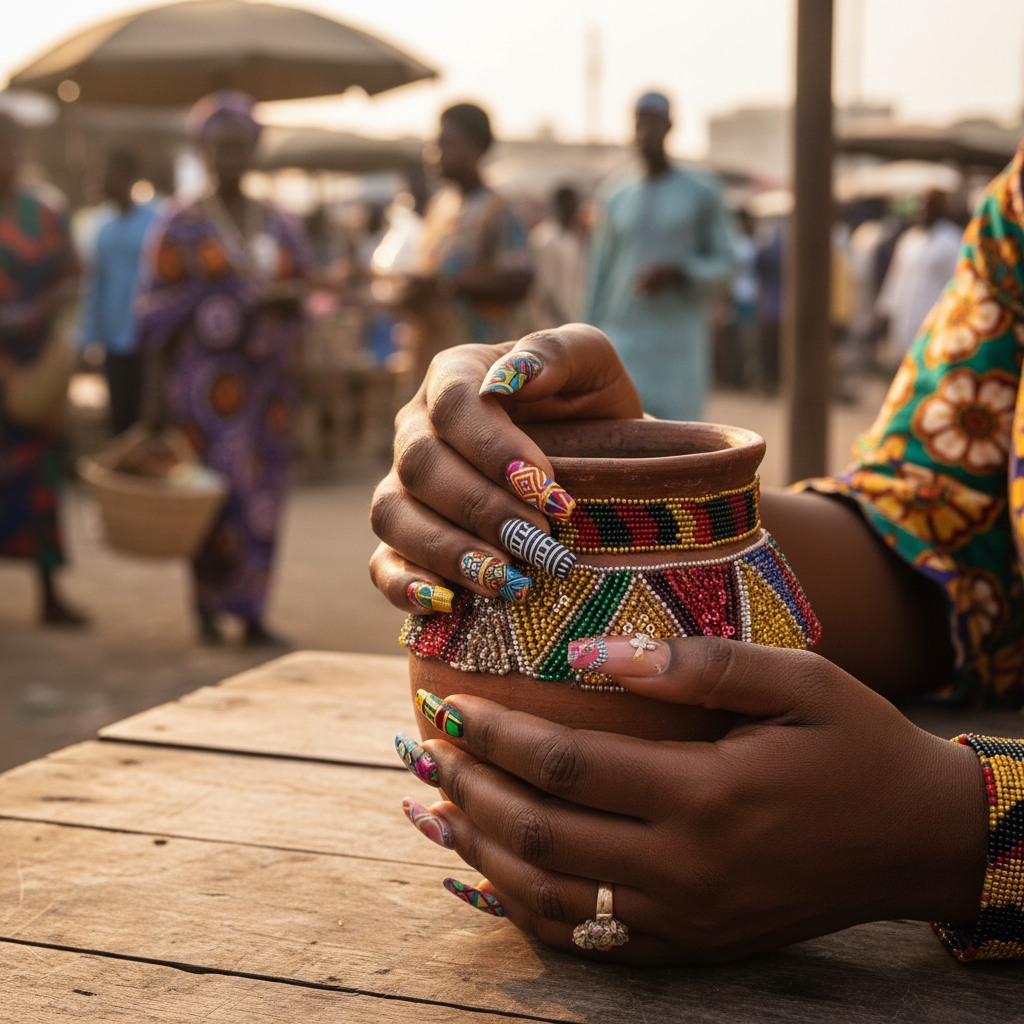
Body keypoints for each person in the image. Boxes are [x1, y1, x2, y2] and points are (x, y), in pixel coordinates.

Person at [364, 139, 1024, 965]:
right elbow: (943, 538)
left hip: (687, 335)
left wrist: (967, 830)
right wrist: (629, 486)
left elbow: (722, 269)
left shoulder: (697, 194)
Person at [136, 91, 311, 647]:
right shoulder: (180, 223)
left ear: (255, 148)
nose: (231, 155)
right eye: (220, 146)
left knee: (262, 498)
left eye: (240, 145)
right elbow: (154, 312)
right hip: (201, 388)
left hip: (267, 388)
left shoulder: (281, 223)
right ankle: (207, 606)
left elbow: (309, 288)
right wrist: (153, 396)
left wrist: (289, 300)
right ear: (202, 151)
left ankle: (253, 609)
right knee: (210, 498)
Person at [585, 92, 734, 420]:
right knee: (621, 441)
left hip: (677, 348)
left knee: (677, 447)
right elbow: (601, 272)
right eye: (640, 122)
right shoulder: (615, 194)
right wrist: (590, 337)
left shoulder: (701, 192)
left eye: (654, 122)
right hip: (623, 340)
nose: (646, 131)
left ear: (670, 126)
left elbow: (727, 261)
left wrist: (681, 272)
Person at [0, 113, 85, 627]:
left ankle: (49, 595)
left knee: (40, 480)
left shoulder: (44, 213)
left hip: (35, 367)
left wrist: (38, 313)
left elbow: (72, 276)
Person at [398, 102, 532, 385]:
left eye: (446, 144)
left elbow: (519, 280)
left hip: (479, 365)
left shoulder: (499, 210)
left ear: (475, 149)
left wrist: (447, 285)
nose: (434, 154)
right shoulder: (441, 206)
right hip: (436, 356)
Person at [79, 150, 160, 436]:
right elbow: (96, 285)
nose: (103, 182)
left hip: (151, 340)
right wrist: (87, 338)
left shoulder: (157, 219)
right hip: (116, 338)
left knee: (152, 415)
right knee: (121, 417)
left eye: (108, 176)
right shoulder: (102, 227)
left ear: (127, 178)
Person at [876, 188, 963, 363]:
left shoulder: (952, 239)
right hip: (905, 321)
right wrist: (887, 311)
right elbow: (896, 278)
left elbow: (960, 282)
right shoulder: (910, 238)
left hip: (936, 325)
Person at [529, 184, 588, 329]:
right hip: (552, 323)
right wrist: (565, 322)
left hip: (572, 317)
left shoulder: (572, 236)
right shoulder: (545, 238)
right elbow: (545, 289)